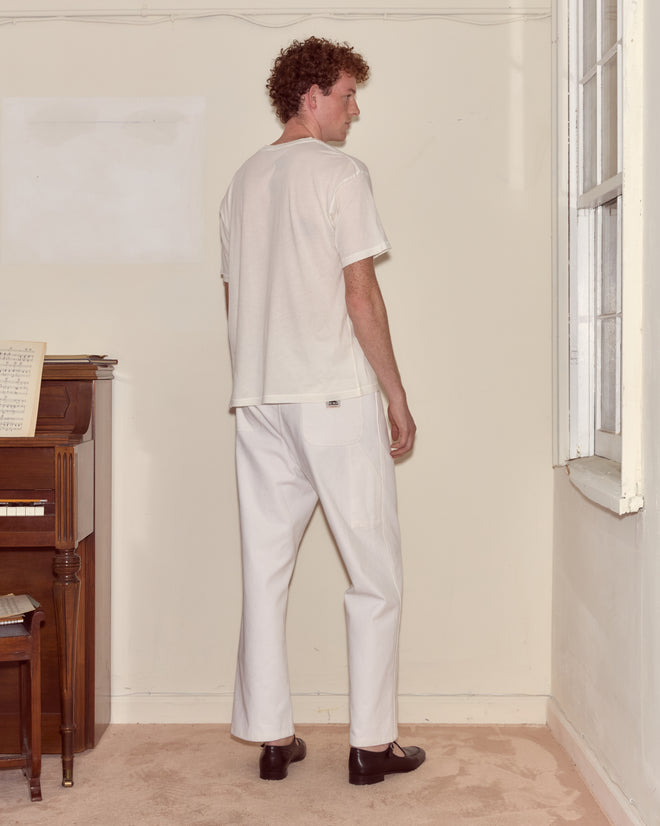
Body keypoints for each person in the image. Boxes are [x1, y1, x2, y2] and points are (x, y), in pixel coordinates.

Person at [220, 35, 425, 786]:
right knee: (374, 573)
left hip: (260, 398)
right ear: (310, 96)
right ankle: (372, 746)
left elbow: (235, 298)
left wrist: (253, 376)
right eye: (346, 95)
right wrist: (396, 397)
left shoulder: (242, 182)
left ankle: (273, 738)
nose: (354, 108)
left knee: (264, 569)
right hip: (332, 395)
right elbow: (360, 292)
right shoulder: (340, 172)